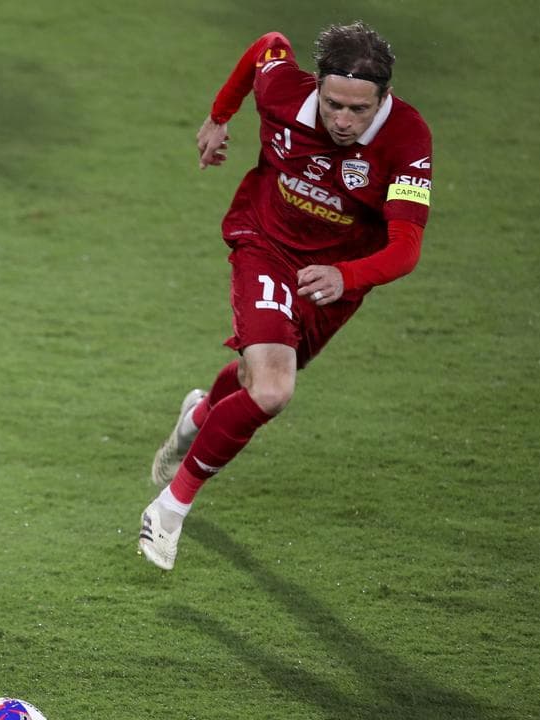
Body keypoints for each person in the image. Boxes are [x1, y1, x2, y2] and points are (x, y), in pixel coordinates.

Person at [138, 22, 432, 570]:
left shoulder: (408, 139)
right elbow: (265, 46)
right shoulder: (282, 90)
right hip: (265, 245)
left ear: (383, 101)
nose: (343, 121)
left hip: (332, 280)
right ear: (316, 85)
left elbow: (406, 248)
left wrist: (349, 276)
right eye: (333, 104)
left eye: (359, 110)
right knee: (273, 389)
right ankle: (169, 509)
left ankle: (198, 416)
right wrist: (218, 118)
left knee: (255, 377)